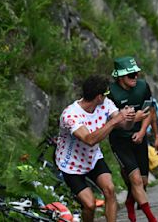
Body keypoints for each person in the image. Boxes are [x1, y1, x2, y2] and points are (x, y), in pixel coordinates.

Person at [55, 75, 136, 222]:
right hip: (71, 164)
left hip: (92, 158)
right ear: (99, 97)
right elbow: (89, 140)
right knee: (90, 205)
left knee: (110, 190)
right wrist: (114, 121)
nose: (108, 96)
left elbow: (123, 124)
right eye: (106, 94)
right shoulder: (70, 115)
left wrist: (129, 118)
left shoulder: (106, 104)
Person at [107, 56, 158, 222]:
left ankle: (130, 202)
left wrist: (145, 132)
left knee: (142, 182)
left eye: (136, 73)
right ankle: (151, 218)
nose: (135, 77)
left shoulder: (143, 86)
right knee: (135, 179)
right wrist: (129, 120)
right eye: (131, 75)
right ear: (120, 77)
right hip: (120, 141)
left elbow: (149, 111)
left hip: (139, 137)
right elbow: (108, 122)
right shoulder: (110, 93)